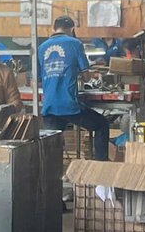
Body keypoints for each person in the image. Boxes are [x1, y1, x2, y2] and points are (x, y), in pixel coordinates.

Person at [38, 15, 109, 160]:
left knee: (51, 146)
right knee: (102, 125)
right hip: (69, 105)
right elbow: (86, 77)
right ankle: (101, 169)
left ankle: (50, 173)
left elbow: (39, 78)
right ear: (72, 29)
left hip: (49, 106)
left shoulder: (41, 48)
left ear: (54, 28)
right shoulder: (75, 44)